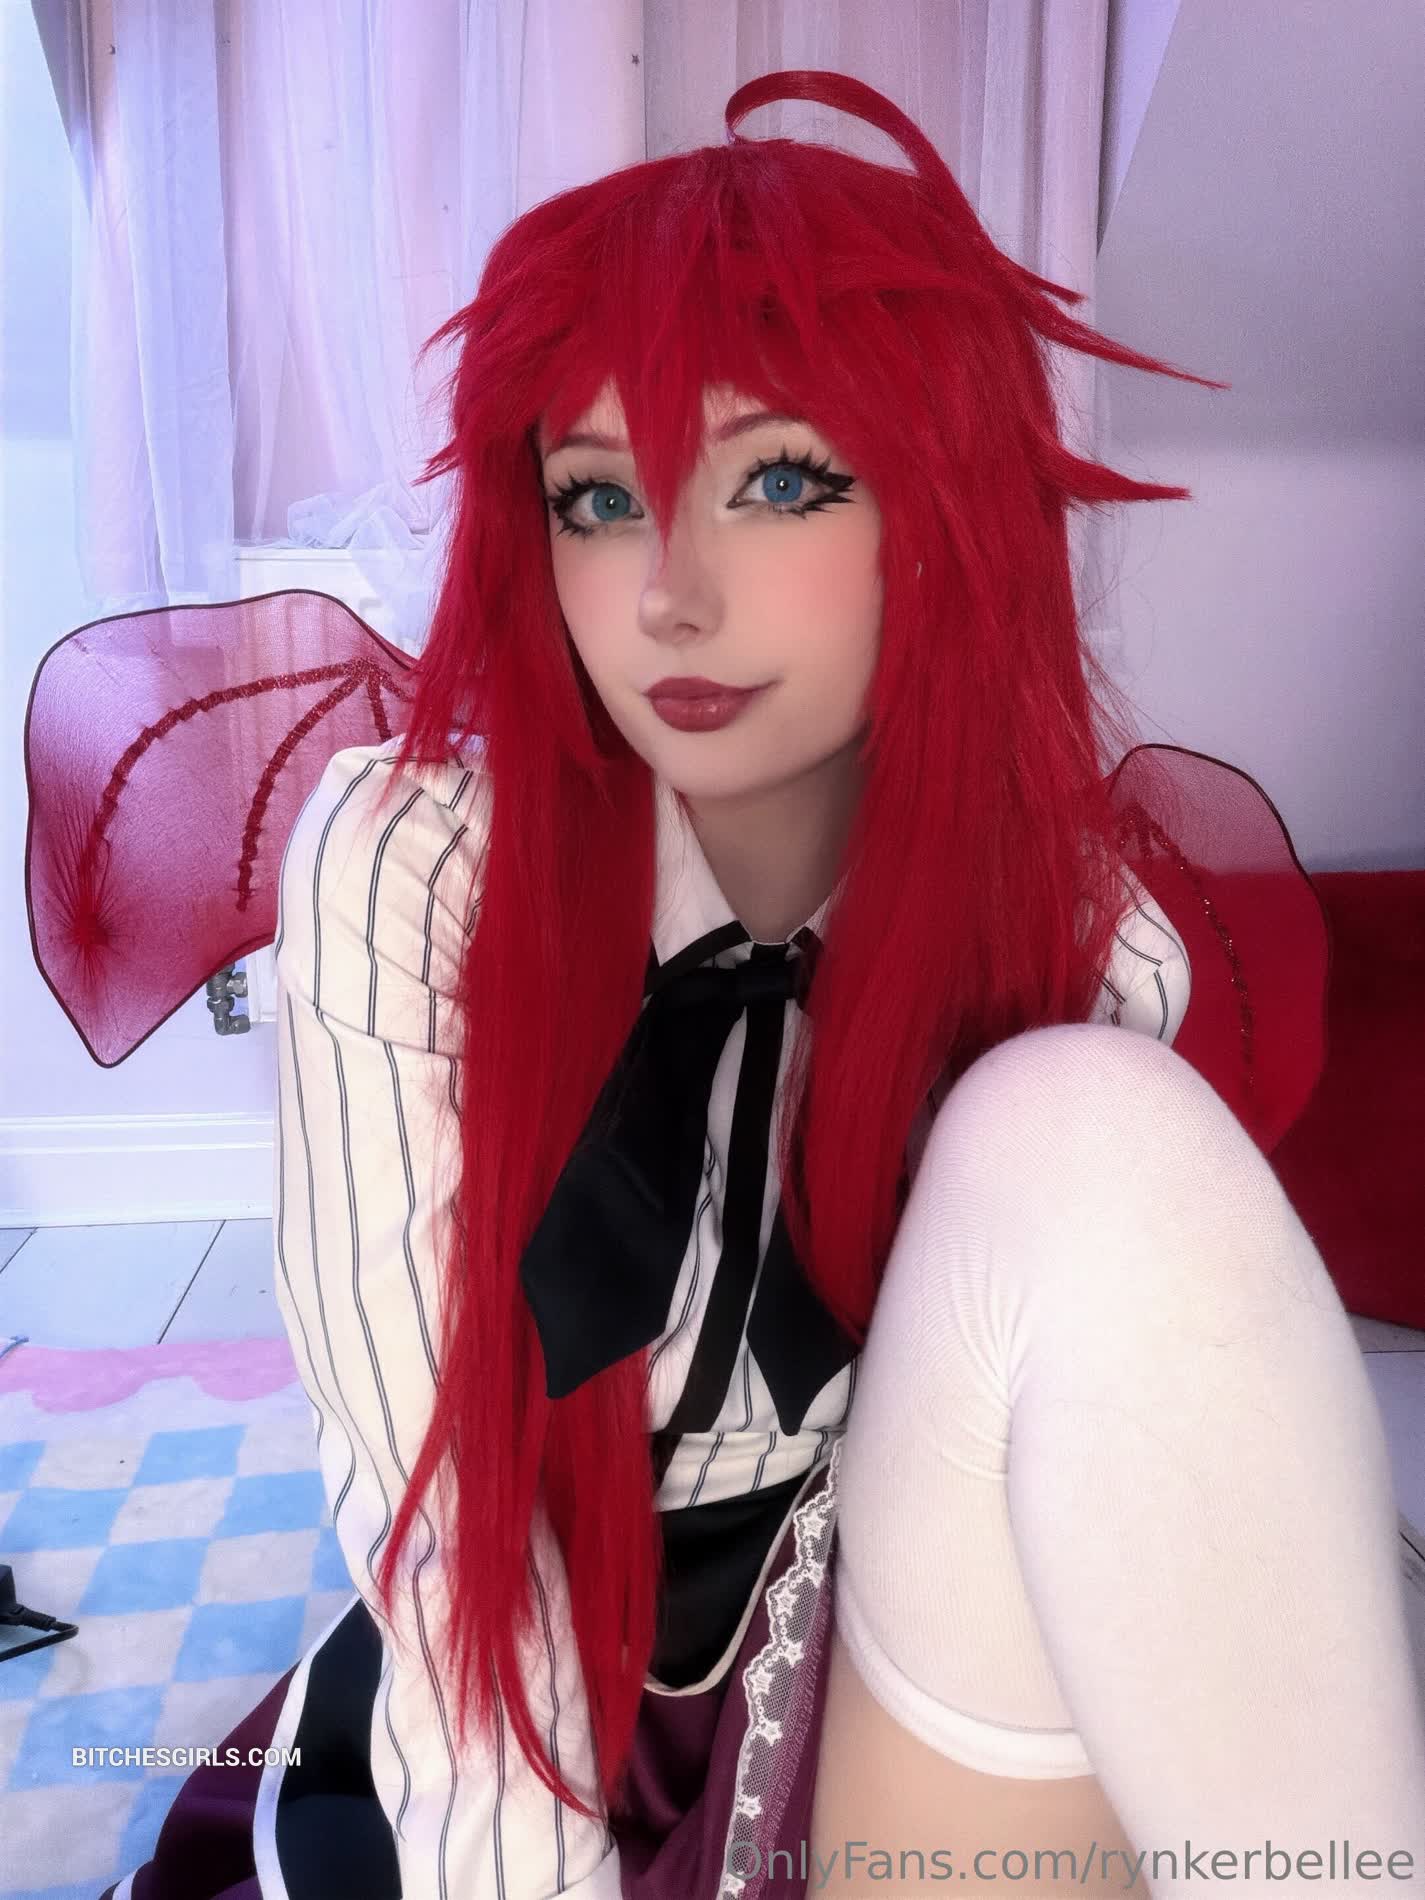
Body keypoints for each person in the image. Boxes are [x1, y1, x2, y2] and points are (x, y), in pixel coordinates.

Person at [95, 67, 1425, 1900]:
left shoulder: (1083, 940)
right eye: (594, 497)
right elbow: (434, 1499)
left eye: (780, 479)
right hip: (530, 1680)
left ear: (942, 506)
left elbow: (1073, 1454)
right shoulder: (414, 874)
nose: (668, 592)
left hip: (876, 1631)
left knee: (1098, 1139)